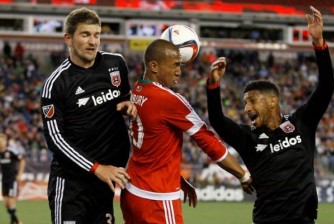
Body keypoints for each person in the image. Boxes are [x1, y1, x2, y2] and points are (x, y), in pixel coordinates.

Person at [206, 6, 334, 224]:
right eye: (245, 102)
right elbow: (217, 120)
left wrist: (319, 43)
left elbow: (326, 87)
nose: (246, 108)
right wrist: (213, 84)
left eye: (252, 101)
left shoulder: (301, 122)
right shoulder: (248, 138)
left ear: (273, 101)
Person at [120, 39, 255, 224]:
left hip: (132, 192)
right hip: (157, 199)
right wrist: (243, 175)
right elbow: (208, 141)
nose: (179, 71)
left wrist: (178, 178)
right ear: (154, 66)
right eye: (175, 65)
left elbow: (155, 144)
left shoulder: (138, 88)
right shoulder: (169, 100)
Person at [40, 7, 137, 224]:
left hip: (105, 182)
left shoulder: (115, 64)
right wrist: (96, 168)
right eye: (85, 35)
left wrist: (127, 105)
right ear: (68, 38)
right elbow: (55, 139)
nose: (93, 41)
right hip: (72, 186)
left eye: (97, 35)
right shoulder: (56, 84)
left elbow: (125, 97)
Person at [0, 133, 25, 224]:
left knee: (10, 202)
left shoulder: (11, 151)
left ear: (6, 142)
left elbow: (22, 160)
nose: (1, 143)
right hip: (4, 180)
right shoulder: (0, 154)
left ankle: (18, 221)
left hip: (12, 180)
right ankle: (13, 221)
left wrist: (20, 174)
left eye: (2, 141)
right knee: (6, 204)